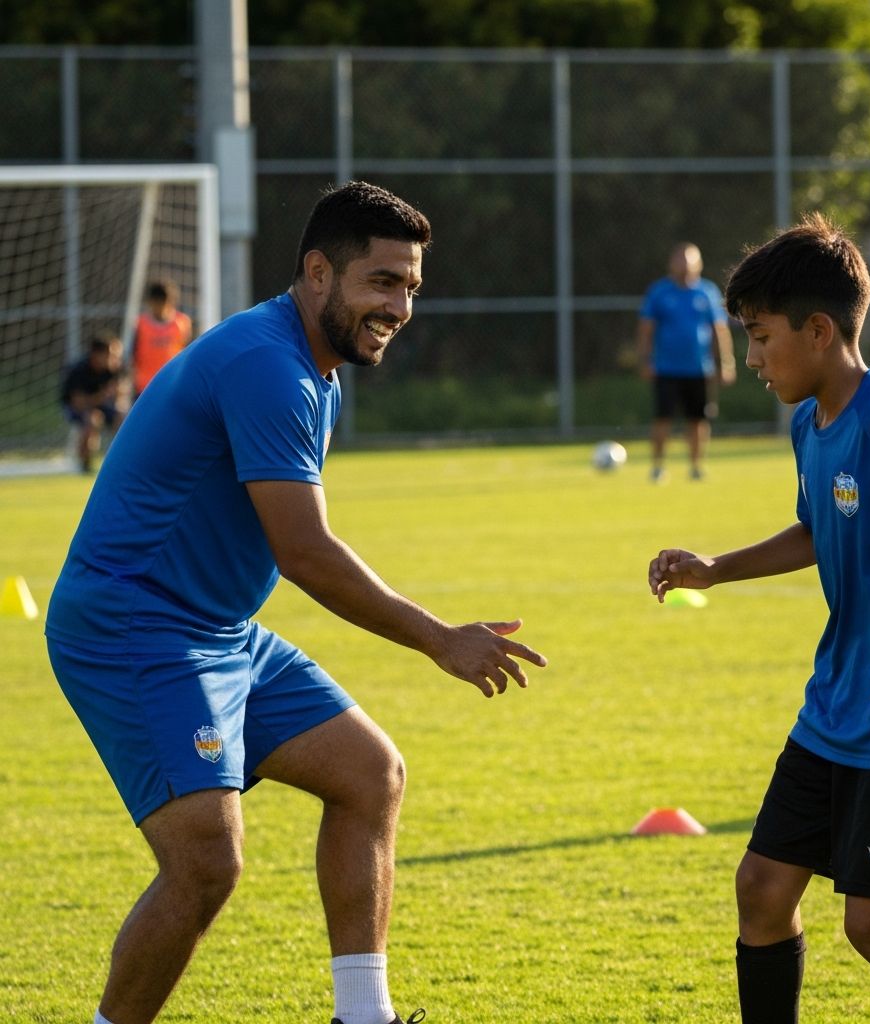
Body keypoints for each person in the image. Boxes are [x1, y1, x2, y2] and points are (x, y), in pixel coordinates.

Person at [45, 181, 547, 1024]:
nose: (400, 306)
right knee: (207, 862)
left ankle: (364, 1016)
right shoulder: (268, 367)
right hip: (135, 624)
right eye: (382, 282)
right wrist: (438, 639)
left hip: (218, 629)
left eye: (411, 288)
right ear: (319, 271)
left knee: (369, 774)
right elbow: (305, 549)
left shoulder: (317, 372)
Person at [648, 213, 870, 1023]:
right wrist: (717, 567)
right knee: (763, 889)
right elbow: (818, 530)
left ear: (819, 331)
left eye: (761, 336)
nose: (750, 358)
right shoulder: (808, 423)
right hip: (838, 702)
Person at [636, 241, 736, 482]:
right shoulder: (659, 292)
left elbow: (719, 330)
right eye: (680, 259)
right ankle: (658, 467)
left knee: (698, 419)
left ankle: (696, 466)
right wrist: (645, 360)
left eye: (690, 259)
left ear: (699, 263)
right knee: (663, 418)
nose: (685, 264)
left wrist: (726, 363)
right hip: (666, 368)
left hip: (699, 368)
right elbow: (646, 329)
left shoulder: (707, 292)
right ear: (671, 263)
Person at [59, 329, 130, 472]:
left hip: (103, 404)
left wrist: (119, 395)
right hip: (75, 408)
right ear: (97, 355)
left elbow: (122, 395)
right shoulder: (78, 370)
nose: (115, 358)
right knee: (93, 419)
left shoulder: (115, 368)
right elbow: (77, 403)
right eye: (111, 355)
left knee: (124, 418)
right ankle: (85, 464)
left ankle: (122, 462)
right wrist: (102, 396)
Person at [131, 278, 193, 396]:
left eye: (165, 302)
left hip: (173, 384)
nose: (161, 307)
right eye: (157, 302)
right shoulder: (140, 324)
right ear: (151, 302)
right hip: (145, 385)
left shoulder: (182, 322)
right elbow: (133, 354)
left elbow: (187, 353)